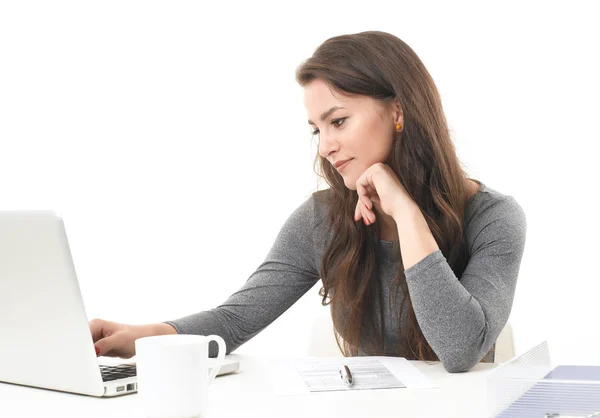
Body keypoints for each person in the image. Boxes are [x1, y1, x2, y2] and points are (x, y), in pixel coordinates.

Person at [89, 31, 527, 373]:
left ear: (398, 111)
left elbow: (459, 350)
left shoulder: (493, 218)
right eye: (318, 129)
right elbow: (236, 321)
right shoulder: (323, 219)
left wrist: (408, 215)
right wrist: (143, 337)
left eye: (338, 121)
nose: (326, 147)